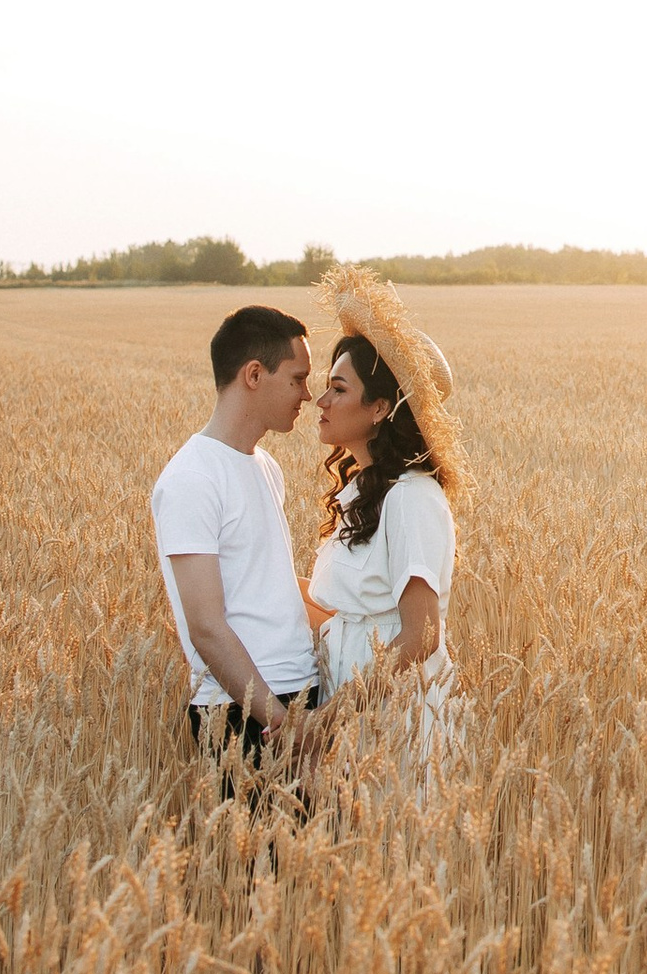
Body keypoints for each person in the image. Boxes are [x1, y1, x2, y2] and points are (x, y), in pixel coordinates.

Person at [151, 303, 321, 772]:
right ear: (253, 374)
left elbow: (267, 584)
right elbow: (205, 624)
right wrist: (279, 718)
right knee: (260, 849)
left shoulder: (266, 466)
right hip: (241, 712)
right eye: (297, 378)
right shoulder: (192, 478)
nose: (308, 395)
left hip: (298, 694)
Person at [308, 264, 464, 763]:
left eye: (338, 388)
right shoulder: (362, 491)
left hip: (398, 722)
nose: (321, 399)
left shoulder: (412, 498)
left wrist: (327, 720)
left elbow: (422, 635)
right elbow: (340, 609)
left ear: (379, 409)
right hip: (355, 711)